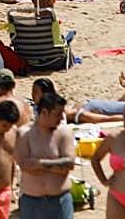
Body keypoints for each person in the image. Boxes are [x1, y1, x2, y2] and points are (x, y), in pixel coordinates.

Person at [15, 91, 77, 219]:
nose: (61, 118)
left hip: (59, 200)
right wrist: (56, 165)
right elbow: (25, 166)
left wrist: (39, 164)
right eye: (57, 114)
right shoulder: (24, 134)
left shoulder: (64, 133)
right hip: (31, 201)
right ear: (44, 112)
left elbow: (69, 164)